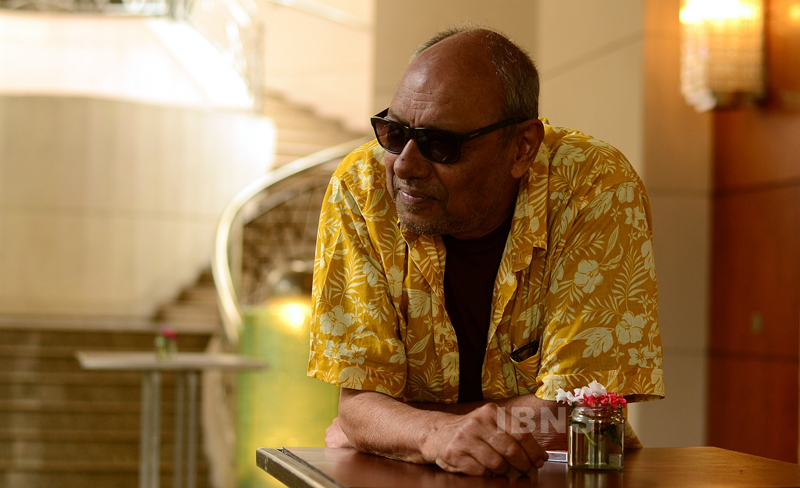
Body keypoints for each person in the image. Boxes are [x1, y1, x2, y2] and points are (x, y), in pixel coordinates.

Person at [307, 26, 664, 477]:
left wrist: (408, 427)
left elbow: (582, 417)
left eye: (441, 144)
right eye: (394, 133)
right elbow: (359, 409)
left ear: (522, 148)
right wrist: (416, 431)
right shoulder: (361, 188)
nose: (406, 165)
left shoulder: (594, 186)